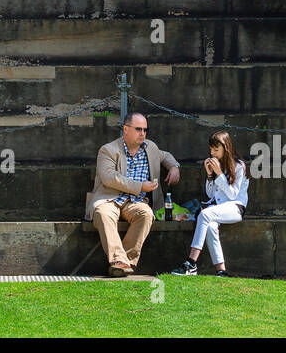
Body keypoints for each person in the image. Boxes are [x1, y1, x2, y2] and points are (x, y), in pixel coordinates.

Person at [85, 112, 180, 277]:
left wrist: (174, 167)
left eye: (145, 130)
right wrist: (140, 186)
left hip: (136, 202)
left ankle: (125, 262)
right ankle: (118, 260)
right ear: (125, 129)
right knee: (102, 213)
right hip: (110, 198)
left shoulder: (150, 148)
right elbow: (109, 177)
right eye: (138, 129)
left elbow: (166, 156)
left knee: (146, 214)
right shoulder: (108, 150)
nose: (142, 133)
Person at [172, 130, 249, 277]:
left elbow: (232, 194)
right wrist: (209, 175)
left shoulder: (239, 166)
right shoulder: (217, 165)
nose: (212, 153)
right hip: (219, 207)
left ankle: (191, 262)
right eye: (211, 149)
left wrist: (219, 174)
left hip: (236, 208)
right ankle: (221, 270)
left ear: (225, 148)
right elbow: (211, 194)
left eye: (216, 149)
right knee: (211, 227)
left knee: (204, 214)